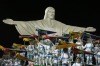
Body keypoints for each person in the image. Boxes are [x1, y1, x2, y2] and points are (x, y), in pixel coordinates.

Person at [3, 7, 96, 36]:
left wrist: (85, 29)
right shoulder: (40, 22)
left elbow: (69, 27)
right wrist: (15, 22)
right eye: (50, 12)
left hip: (55, 46)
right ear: (46, 13)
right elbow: (28, 23)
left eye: (53, 12)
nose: (52, 13)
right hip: (43, 45)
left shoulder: (58, 24)